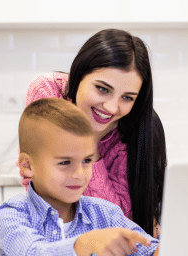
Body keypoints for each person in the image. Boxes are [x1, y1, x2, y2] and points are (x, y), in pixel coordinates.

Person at [23, 28, 167, 238]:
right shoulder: (48, 92)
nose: (111, 107)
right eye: (102, 89)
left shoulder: (132, 132)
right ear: (80, 74)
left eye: (127, 98)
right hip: (48, 234)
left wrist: (91, 141)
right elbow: (40, 181)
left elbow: (116, 222)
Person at [0, 98, 159, 256]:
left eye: (86, 161)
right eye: (65, 162)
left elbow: (149, 252)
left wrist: (162, 253)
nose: (79, 174)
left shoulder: (106, 213)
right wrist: (84, 244)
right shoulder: (12, 213)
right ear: (27, 165)